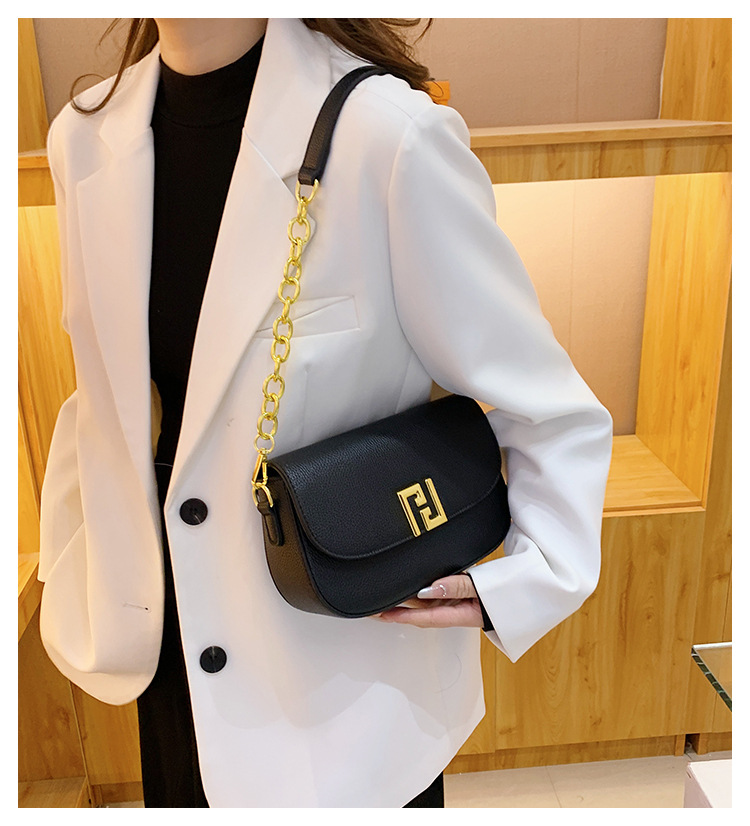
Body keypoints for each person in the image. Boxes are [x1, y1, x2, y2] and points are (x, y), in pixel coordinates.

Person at [38, 18, 613, 808]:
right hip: (170, 646)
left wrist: (525, 578)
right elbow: (101, 394)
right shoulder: (83, 138)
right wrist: (74, 555)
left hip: (343, 668)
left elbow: (544, 400)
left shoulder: (388, 136)